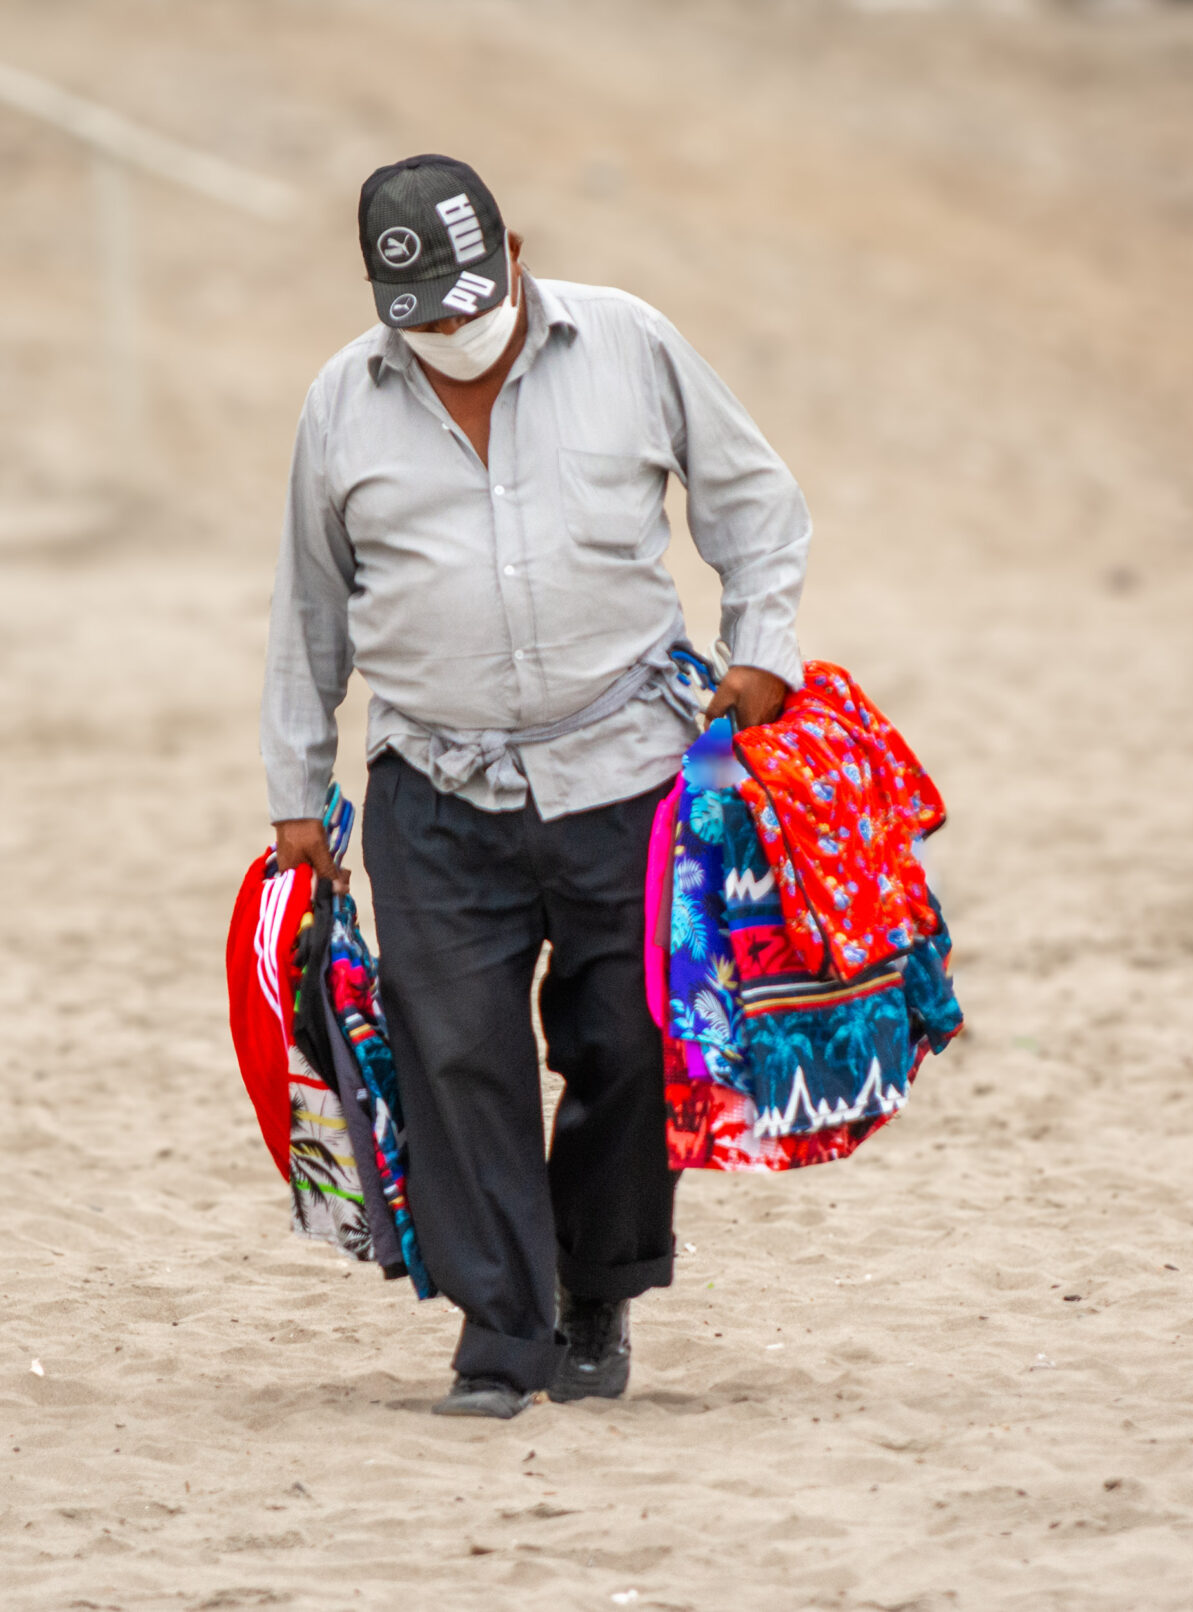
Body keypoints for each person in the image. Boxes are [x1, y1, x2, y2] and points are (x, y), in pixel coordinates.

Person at [261, 154, 810, 1418]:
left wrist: (762, 652)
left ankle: (595, 1286)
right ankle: (500, 1335)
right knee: (457, 1056)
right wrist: (297, 790)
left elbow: (755, 504)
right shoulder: (341, 402)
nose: (457, 332)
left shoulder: (628, 342)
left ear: (514, 252)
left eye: (470, 300)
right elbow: (307, 606)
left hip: (624, 766)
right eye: (427, 318)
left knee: (630, 1042)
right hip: (432, 784)